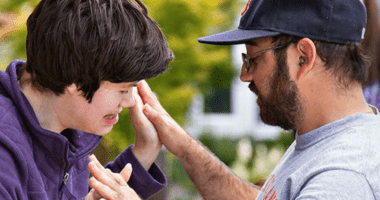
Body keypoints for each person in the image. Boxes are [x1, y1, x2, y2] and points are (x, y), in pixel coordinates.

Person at [137, 0, 380, 199]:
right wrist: (182, 145)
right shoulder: (326, 139)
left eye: (253, 59)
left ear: (304, 57)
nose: (245, 75)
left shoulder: (342, 179)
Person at [0, 0, 173, 199]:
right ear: (76, 78)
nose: (130, 102)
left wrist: (146, 150)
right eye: (123, 90)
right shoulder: (5, 158)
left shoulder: (67, 128)